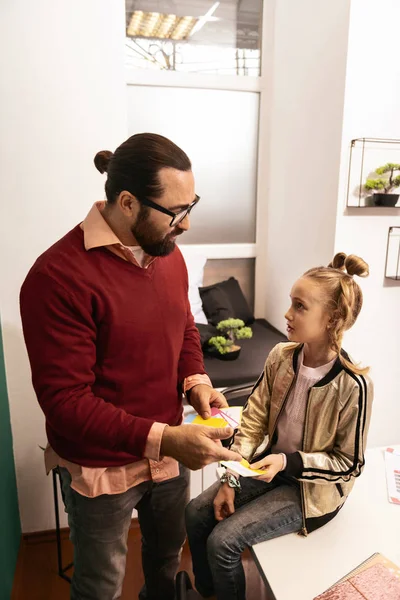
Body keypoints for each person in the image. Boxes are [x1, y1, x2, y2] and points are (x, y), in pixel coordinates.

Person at [20, 133, 241, 600]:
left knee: (164, 562)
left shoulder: (168, 254)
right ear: (126, 202)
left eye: (191, 206)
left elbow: (182, 327)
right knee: (100, 586)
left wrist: (196, 382)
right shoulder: (56, 277)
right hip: (102, 466)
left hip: (168, 452)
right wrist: (167, 438)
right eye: (176, 212)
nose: (186, 224)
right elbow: (66, 403)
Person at [186, 253, 373, 600]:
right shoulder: (280, 357)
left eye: (300, 306)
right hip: (266, 468)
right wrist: (229, 478)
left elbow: (350, 463)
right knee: (196, 513)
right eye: (292, 303)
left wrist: (289, 462)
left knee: (223, 541)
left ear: (332, 318)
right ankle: (208, 593)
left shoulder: (353, 385)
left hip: (311, 491)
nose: (288, 314)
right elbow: (253, 422)